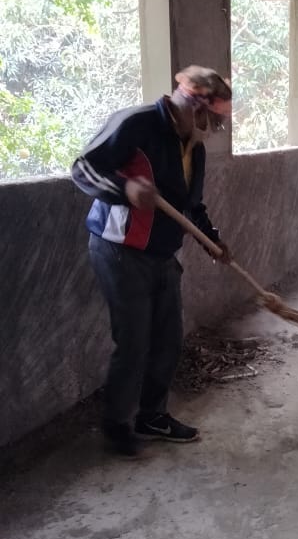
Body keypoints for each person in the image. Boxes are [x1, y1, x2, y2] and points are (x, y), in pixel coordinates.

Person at [72, 65, 232, 457]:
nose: (212, 129)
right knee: (134, 341)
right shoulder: (135, 123)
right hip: (119, 249)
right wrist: (125, 188)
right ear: (195, 106)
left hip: (162, 253)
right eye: (212, 120)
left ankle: (152, 416)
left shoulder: (194, 148)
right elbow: (83, 168)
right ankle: (117, 425)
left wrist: (211, 239)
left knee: (168, 340)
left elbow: (191, 206)